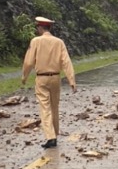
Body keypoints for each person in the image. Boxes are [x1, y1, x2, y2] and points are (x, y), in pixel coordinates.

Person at [20, 16, 77, 148]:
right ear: (49, 28)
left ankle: (50, 137)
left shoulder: (36, 41)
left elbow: (28, 62)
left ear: (40, 27)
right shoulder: (59, 42)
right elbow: (66, 61)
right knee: (54, 107)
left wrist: (24, 77)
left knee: (45, 107)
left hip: (42, 78)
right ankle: (55, 134)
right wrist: (71, 80)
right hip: (56, 78)